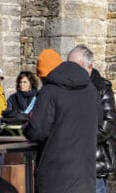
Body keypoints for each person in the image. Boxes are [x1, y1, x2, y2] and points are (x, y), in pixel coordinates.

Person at [25, 45, 102, 193]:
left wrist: (25, 127)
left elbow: (37, 131)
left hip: (55, 177)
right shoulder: (91, 90)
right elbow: (98, 123)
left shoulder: (49, 91)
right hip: (85, 177)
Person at [72, 46, 116, 193]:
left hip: (96, 159)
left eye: (76, 67)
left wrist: (79, 139)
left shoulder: (102, 87)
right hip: (72, 162)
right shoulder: (68, 88)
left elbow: (107, 125)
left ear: (89, 67)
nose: (70, 71)